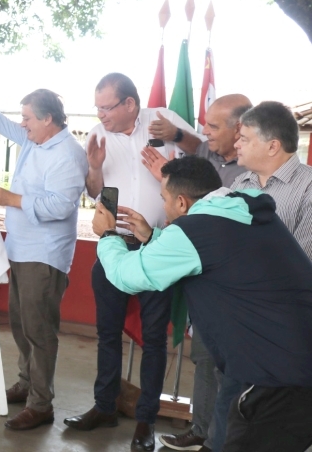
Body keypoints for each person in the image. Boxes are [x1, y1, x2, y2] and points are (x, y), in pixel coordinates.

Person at [92, 155, 312, 452]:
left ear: (181, 202)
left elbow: (126, 275)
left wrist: (107, 235)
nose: (164, 206)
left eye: (164, 198)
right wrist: (153, 237)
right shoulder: (243, 210)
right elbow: (212, 254)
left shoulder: (196, 230)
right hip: (282, 362)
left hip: (272, 377)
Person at [64, 73, 199, 452]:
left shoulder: (161, 117)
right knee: (107, 334)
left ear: (130, 105)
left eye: (107, 107)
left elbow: (203, 152)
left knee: (154, 340)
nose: (100, 114)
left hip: (157, 244)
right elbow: (94, 191)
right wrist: (94, 168)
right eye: (97, 107)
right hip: (113, 244)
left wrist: (175, 135)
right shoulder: (98, 134)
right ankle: (104, 407)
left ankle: (145, 421)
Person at [0, 82, 88, 431]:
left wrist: (10, 199)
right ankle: (27, 382)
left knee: (39, 329)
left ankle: (41, 404)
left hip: (44, 254)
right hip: (21, 248)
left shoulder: (68, 153)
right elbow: (2, 124)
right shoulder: (36, 138)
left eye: (28, 118)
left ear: (47, 119)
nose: (23, 125)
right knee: (21, 322)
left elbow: (60, 206)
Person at [140, 94, 253, 452]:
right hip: (204, 284)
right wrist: (175, 134)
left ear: (240, 129)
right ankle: (202, 431)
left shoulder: (252, 175)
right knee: (203, 359)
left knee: (232, 372)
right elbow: (195, 144)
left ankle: (226, 439)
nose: (205, 132)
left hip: (238, 293)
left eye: (213, 126)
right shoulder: (205, 155)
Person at [199, 101, 312, 451]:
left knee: (262, 420)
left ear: (272, 145)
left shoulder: (308, 190)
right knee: (227, 399)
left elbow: (304, 265)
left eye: (245, 138)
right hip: (233, 317)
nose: (237, 145)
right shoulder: (237, 185)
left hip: (280, 331)